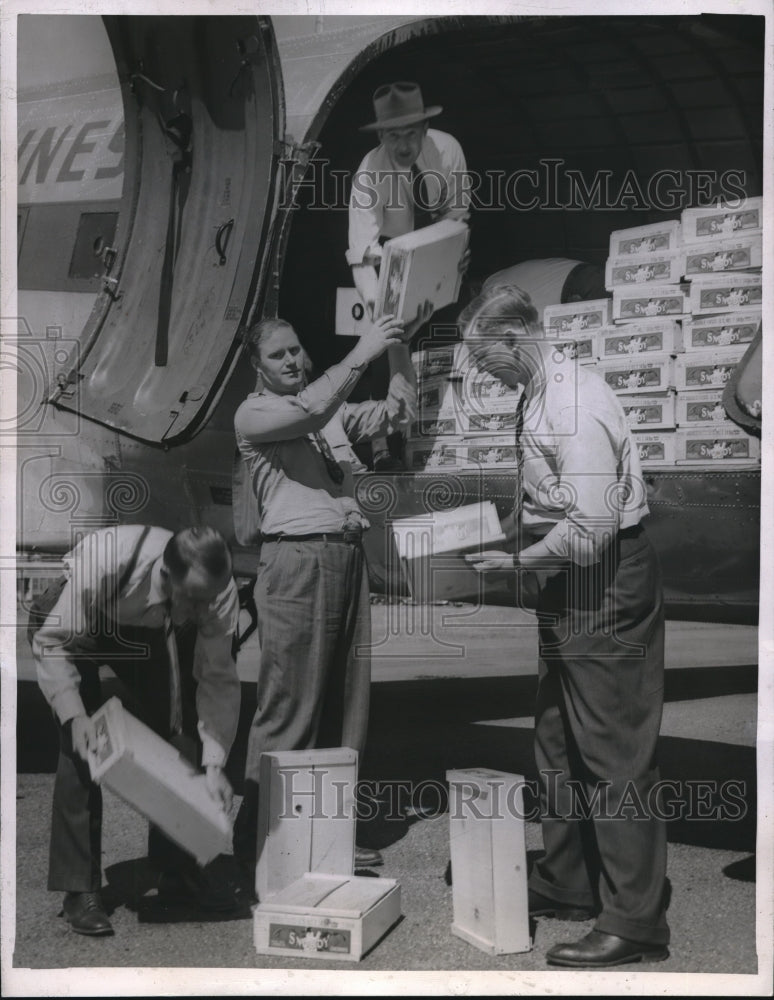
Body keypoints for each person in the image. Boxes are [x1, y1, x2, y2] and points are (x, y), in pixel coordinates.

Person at [462, 284, 670, 969]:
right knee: (557, 738)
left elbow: (590, 531)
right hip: (570, 583)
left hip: (602, 581)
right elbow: (556, 500)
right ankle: (571, 879)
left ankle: (634, 922)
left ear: (519, 340)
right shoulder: (540, 392)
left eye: (487, 360)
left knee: (614, 753)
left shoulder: (575, 407)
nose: (482, 375)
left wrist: (513, 564)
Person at [232, 306, 428, 877]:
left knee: (346, 708)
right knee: (290, 705)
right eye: (278, 354)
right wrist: (364, 350)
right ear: (258, 366)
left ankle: (326, 835)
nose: (291, 360)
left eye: (295, 350)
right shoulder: (257, 413)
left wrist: (397, 345)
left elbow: (398, 412)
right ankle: (259, 839)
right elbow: (314, 406)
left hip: (344, 556)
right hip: (298, 560)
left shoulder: (330, 414)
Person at [29, 525, 241, 936]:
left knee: (180, 731)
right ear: (165, 576)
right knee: (83, 745)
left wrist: (215, 765)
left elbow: (217, 679)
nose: (205, 610)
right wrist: (75, 715)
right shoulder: (107, 559)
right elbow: (53, 641)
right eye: (195, 599)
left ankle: (177, 871)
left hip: (150, 626)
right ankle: (78, 889)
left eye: (209, 600)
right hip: (74, 626)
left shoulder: (215, 591)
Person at [347, 80, 471, 468]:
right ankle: (385, 450)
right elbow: (361, 256)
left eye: (411, 134)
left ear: (424, 130)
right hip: (388, 261)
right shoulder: (369, 172)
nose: (403, 145)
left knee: (450, 342)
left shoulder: (447, 150)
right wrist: (381, 316)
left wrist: (457, 254)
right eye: (393, 136)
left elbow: (457, 212)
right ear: (382, 134)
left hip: (438, 253)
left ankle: (449, 442)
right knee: (386, 353)